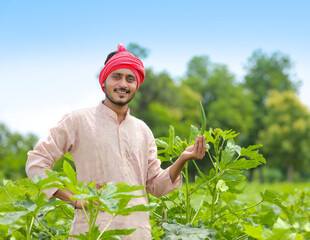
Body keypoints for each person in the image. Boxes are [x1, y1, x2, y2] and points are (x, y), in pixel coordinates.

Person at [25, 44, 206, 239]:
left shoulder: (143, 130)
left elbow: (156, 186)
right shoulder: (77, 121)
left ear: (137, 85)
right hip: (92, 230)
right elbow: (36, 163)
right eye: (116, 76)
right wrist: (73, 199)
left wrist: (182, 159)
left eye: (130, 79)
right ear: (104, 82)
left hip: (138, 232)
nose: (123, 84)